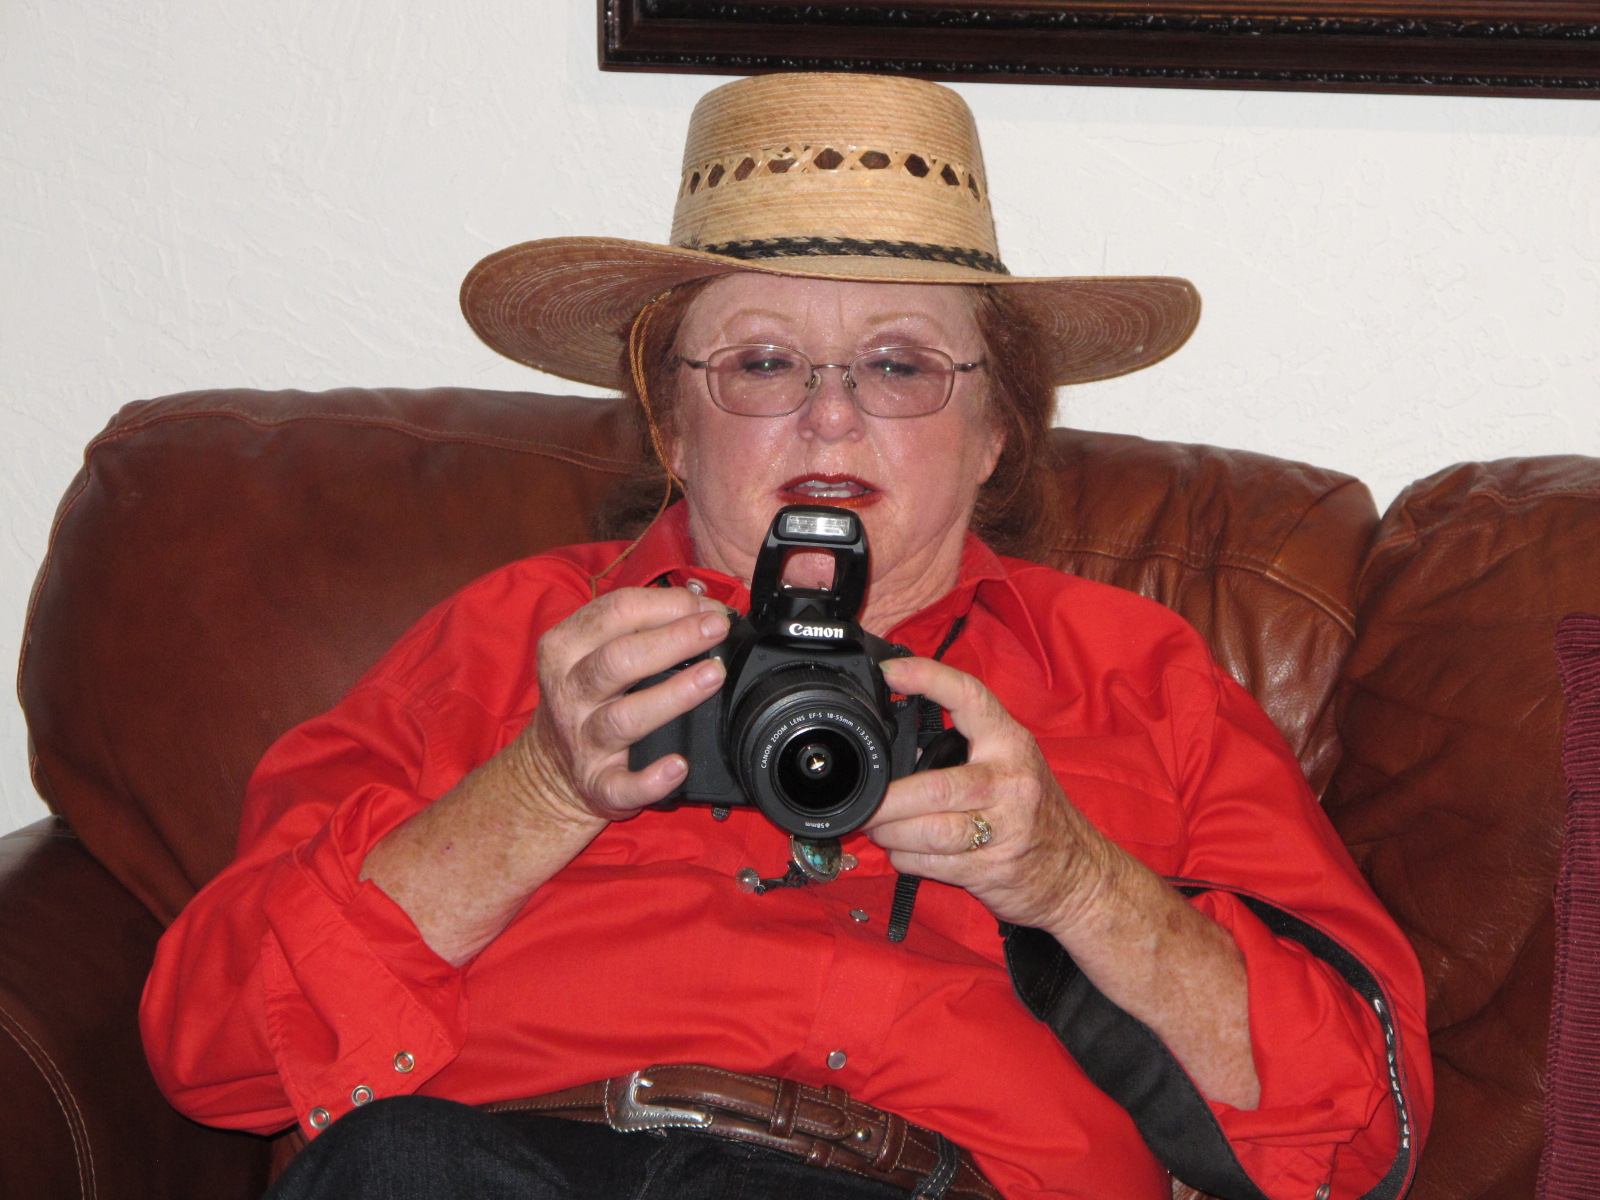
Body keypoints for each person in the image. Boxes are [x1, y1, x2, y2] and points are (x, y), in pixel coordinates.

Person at [140, 72, 1431, 1200]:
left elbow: (1359, 1135)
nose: (829, 420)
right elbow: (215, 1054)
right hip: (508, 1166)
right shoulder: (516, 633)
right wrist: (536, 790)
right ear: (669, 425)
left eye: (901, 364)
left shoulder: (1136, 669)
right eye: (761, 365)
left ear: (997, 433)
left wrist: (1072, 883)